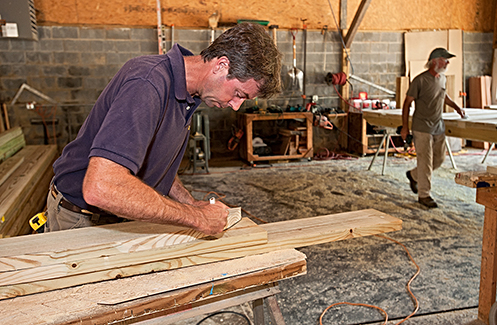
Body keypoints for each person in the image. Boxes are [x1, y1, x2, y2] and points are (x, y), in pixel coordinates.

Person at [45, 23, 282, 234]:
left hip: (116, 217)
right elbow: (102, 187)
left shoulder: (187, 95)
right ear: (221, 65)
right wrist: (197, 218)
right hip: (81, 219)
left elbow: (156, 166)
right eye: (239, 94)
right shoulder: (147, 84)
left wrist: (190, 204)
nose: (236, 106)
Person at [401, 47, 465, 208]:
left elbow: (443, 95)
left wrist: (457, 107)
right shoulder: (420, 80)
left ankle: (413, 175)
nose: (448, 62)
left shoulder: (442, 78)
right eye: (445, 59)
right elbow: (407, 103)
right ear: (434, 62)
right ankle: (424, 195)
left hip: (438, 125)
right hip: (421, 126)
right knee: (425, 162)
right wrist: (404, 127)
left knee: (439, 159)